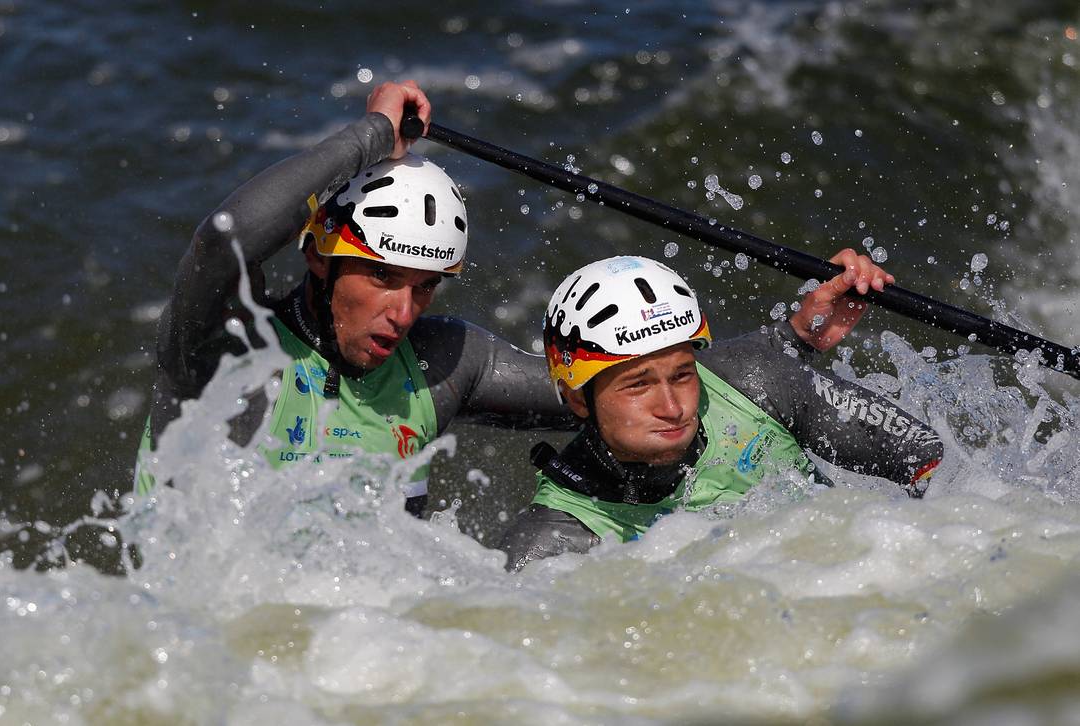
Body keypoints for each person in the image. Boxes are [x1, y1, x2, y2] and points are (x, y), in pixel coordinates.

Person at [136, 79, 896, 515]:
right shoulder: (224, 350)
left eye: (425, 286)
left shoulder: (444, 363)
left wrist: (788, 342)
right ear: (320, 259)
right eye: (382, 278)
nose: (403, 313)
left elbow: (609, 386)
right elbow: (222, 238)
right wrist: (373, 136)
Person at [497, 256, 944, 571]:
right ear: (577, 399)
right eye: (639, 384)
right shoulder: (552, 545)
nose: (673, 409)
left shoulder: (755, 382)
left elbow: (934, 469)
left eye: (683, 375)